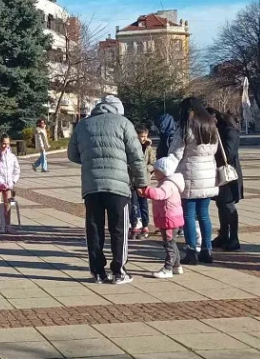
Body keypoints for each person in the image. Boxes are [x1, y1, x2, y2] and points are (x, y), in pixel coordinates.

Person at [68, 95, 148, 285]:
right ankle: (119, 271)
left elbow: (72, 154)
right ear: (118, 109)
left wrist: (90, 160)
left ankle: (97, 272)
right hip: (118, 186)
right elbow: (136, 157)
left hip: (92, 186)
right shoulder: (124, 123)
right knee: (119, 229)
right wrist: (141, 183)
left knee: (94, 229)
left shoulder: (83, 125)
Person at [159, 97, 218, 265]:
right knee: (204, 214)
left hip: (190, 175)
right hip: (208, 175)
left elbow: (176, 153)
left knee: (189, 215)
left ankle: (192, 250)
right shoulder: (211, 126)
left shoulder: (185, 128)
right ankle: (207, 249)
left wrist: (163, 170)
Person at [141, 156, 185, 279]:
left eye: (156, 171)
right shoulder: (168, 182)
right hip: (171, 218)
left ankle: (168, 268)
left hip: (168, 219)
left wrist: (146, 191)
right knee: (172, 243)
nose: (154, 173)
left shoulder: (167, 184)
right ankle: (177, 265)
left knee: (169, 244)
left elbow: (159, 194)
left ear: (164, 172)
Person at [208, 108, 243, 251]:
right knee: (221, 205)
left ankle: (234, 238)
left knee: (228, 205)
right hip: (219, 172)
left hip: (229, 174)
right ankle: (223, 234)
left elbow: (228, 153)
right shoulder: (218, 130)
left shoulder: (229, 131)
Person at [0, 134, 20, 233]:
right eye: (3, 144)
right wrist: (1, 183)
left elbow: (16, 169)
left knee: (8, 204)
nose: (5, 146)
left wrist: (13, 181)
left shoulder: (12, 156)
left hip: (8, 184)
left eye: (7, 144)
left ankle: (7, 225)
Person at [129, 127, 153, 240]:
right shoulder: (131, 147)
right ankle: (134, 224)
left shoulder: (148, 149)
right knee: (133, 204)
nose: (142, 139)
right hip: (133, 181)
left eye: (144, 136)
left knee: (143, 204)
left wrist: (145, 168)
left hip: (144, 180)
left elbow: (153, 163)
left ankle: (145, 225)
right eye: (140, 136)